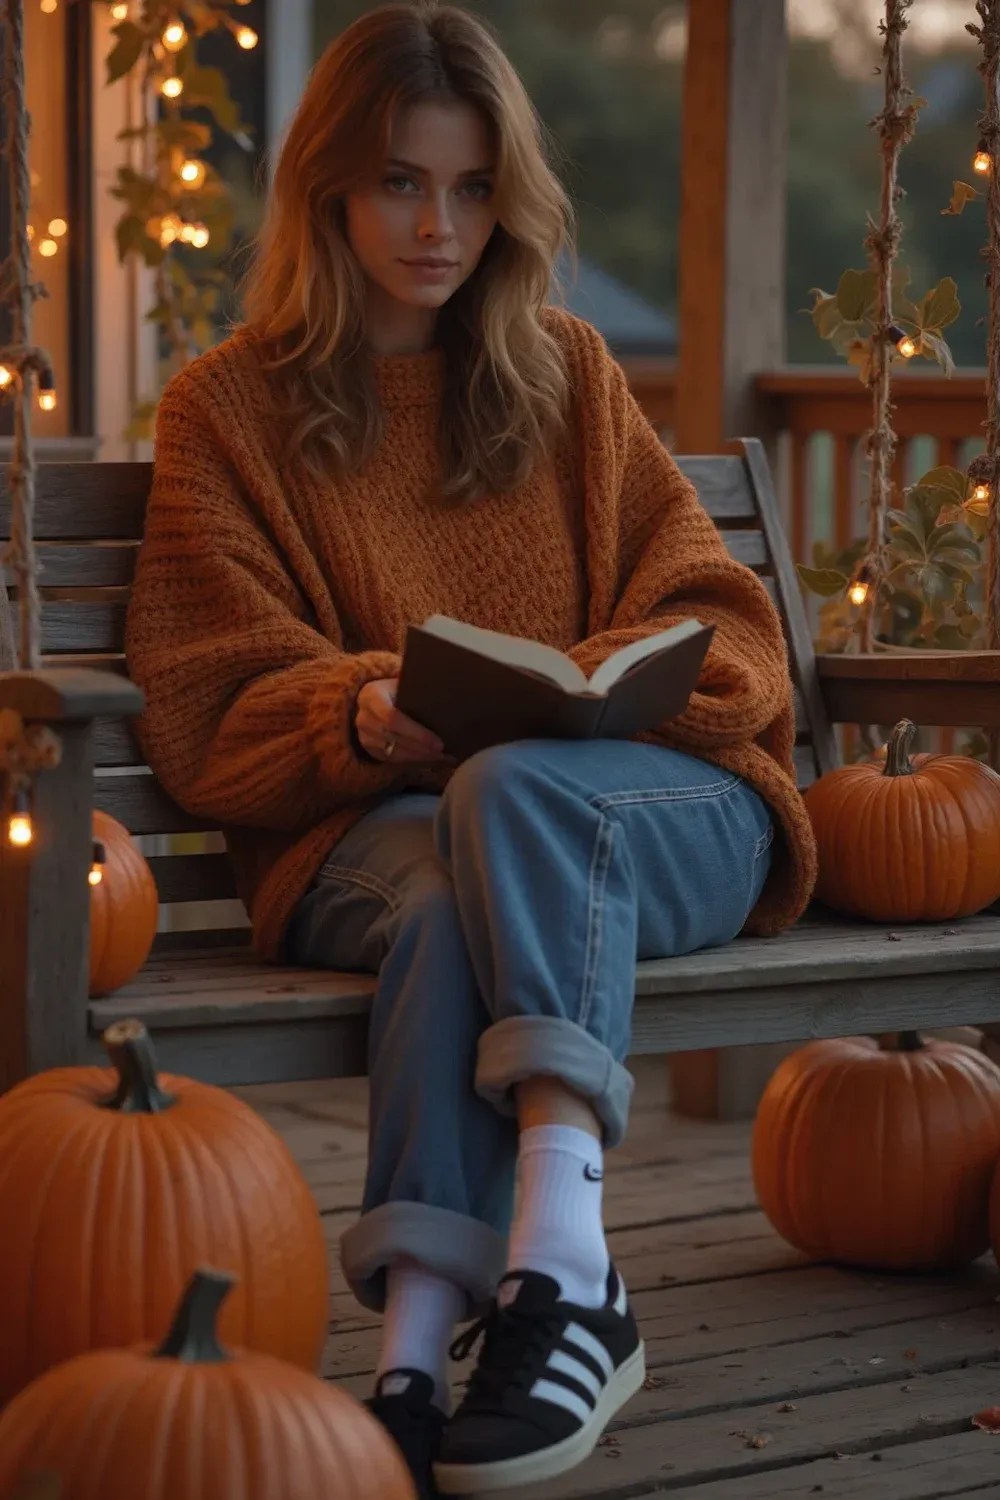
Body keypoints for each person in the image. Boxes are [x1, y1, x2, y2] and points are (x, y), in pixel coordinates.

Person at [125, 3, 817, 1494]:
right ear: (327, 190)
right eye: (399, 184)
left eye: (473, 186)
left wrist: (602, 688)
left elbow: (723, 618)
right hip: (381, 834)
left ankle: (555, 1268)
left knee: (513, 790)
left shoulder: (562, 374)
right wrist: (363, 709)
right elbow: (203, 707)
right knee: (463, 858)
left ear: (511, 196)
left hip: (659, 816)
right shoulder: (230, 412)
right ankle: (432, 1332)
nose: (439, 224)